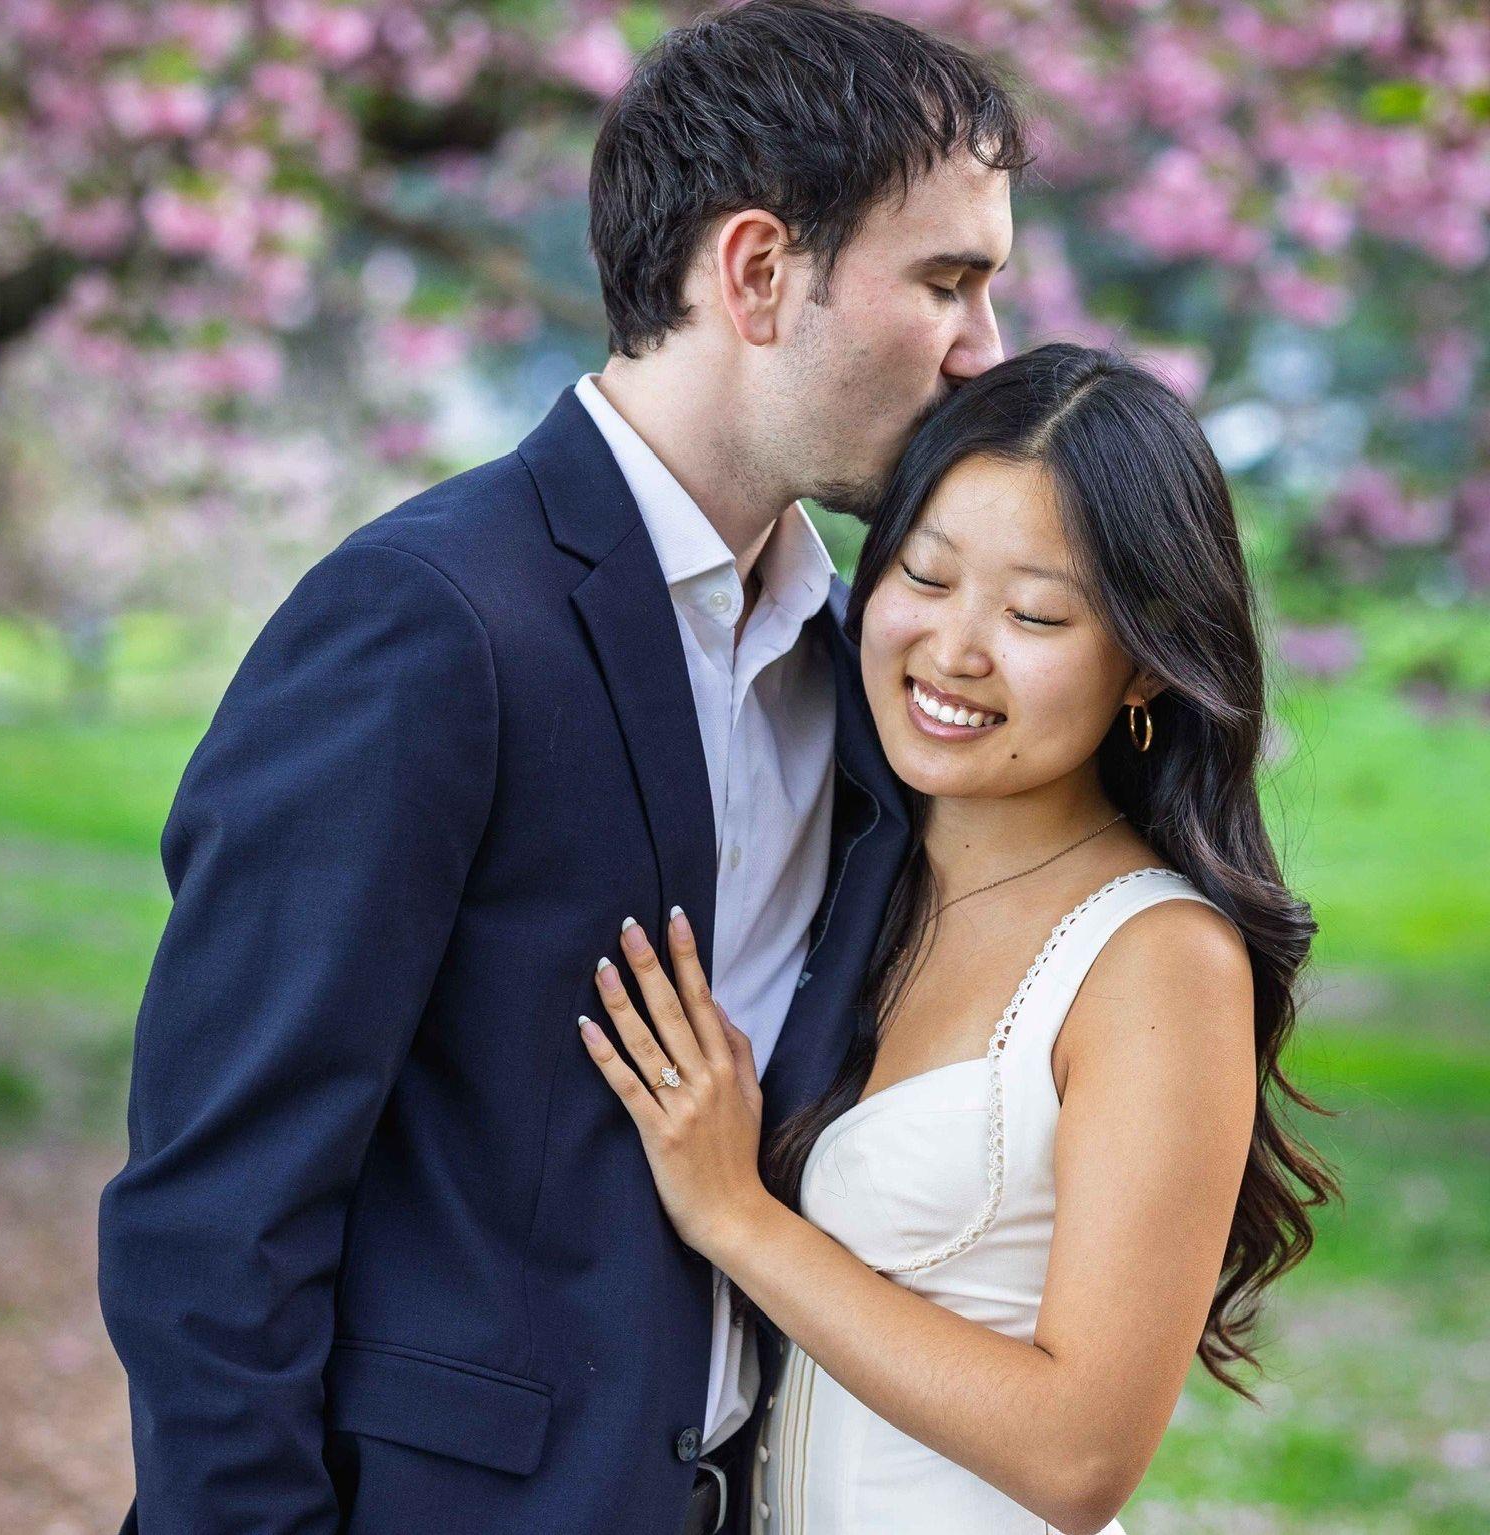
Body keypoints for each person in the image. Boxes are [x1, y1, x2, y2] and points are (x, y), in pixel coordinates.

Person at [94, 3, 1029, 1532]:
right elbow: (217, 1208)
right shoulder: (425, 620)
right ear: (757, 271)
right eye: (947, 280)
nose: (985, 349)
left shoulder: (861, 656)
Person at [576, 343, 1340, 1535]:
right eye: (925, 579)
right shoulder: (851, 877)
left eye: (1036, 612)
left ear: (1142, 661)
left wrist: (735, 1212)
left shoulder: (1157, 959)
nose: (955, 650)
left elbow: (1080, 1455)